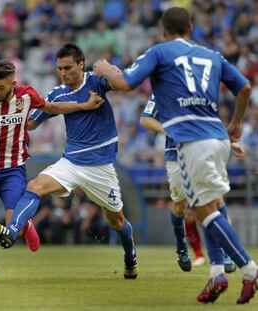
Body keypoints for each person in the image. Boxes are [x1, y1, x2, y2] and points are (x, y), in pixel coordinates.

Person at [93, 6, 257, 304]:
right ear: (191, 29)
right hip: (218, 137)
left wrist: (105, 69)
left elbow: (127, 83)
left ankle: (250, 270)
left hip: (192, 141)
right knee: (213, 205)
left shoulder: (160, 52)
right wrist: (235, 124)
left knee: (204, 211)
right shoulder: (212, 55)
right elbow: (244, 87)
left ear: (163, 31)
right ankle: (217, 273)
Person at [0, 43, 138, 280]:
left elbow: (123, 85)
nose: (63, 73)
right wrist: (12, 108)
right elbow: (32, 122)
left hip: (101, 169)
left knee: (117, 221)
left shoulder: (96, 81)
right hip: (71, 164)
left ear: (81, 64)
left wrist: (112, 72)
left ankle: (130, 258)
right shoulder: (57, 94)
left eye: (68, 68)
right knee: (34, 186)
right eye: (59, 69)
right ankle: (12, 232)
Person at [0, 59, 104, 284]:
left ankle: (26, 225)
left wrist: (84, 106)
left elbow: (51, 108)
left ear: (13, 83)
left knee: (15, 232)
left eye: (1, 87)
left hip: (12, 171)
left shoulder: (27, 95)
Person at [140, 94, 242, 273]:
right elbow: (145, 120)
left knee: (217, 201)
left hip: (203, 151)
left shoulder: (199, 88)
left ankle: (226, 252)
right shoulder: (162, 89)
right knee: (179, 207)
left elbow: (209, 121)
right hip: (176, 155)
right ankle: (181, 245)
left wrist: (228, 142)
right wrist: (170, 130)